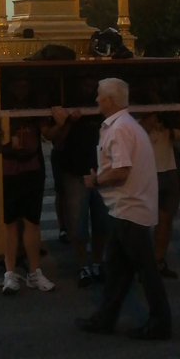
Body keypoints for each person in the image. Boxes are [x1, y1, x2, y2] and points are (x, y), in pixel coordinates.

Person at [76, 77, 172, 339]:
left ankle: (160, 322)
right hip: (127, 208)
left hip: (130, 209)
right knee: (119, 269)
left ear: (109, 100)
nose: (96, 99)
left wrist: (96, 181)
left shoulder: (119, 129)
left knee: (145, 269)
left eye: (99, 95)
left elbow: (121, 170)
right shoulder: (126, 125)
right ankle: (106, 318)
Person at [0, 75, 57, 295]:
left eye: (25, 85)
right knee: (10, 222)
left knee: (32, 221)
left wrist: (62, 121)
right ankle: (10, 272)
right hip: (7, 170)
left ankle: (35, 272)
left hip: (32, 168)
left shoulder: (36, 105)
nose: (22, 89)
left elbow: (48, 133)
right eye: (17, 84)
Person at [50, 106, 107, 286]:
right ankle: (83, 265)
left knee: (101, 221)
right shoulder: (66, 102)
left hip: (100, 168)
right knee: (77, 223)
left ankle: (97, 262)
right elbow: (57, 143)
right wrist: (68, 122)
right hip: (74, 170)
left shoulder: (103, 109)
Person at [139, 112, 180, 278]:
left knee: (166, 219)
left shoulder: (168, 114)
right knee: (141, 222)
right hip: (146, 171)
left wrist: (168, 127)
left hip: (167, 169)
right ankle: (144, 264)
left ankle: (158, 260)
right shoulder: (135, 115)